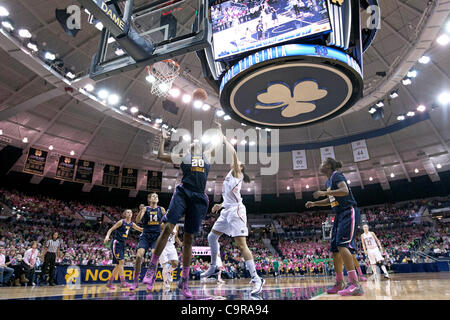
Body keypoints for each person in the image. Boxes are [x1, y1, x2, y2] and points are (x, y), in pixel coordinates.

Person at [142, 124, 221, 298]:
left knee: (189, 239)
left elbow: (219, 143)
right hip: (183, 192)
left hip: (199, 198)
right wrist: (163, 140)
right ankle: (152, 267)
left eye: (198, 142)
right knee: (168, 227)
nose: (195, 142)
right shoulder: (183, 156)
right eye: (193, 142)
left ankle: (184, 281)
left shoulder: (207, 155)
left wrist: (219, 129)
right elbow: (161, 155)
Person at [200, 122, 265, 295]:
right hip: (227, 210)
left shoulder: (238, 172)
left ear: (241, 167)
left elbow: (234, 152)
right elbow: (229, 196)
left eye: (239, 163)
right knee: (212, 236)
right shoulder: (229, 175)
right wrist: (220, 204)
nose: (236, 162)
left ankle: (257, 279)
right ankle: (214, 267)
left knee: (242, 245)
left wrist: (221, 134)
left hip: (236, 211)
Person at [306, 158, 364, 296]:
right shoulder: (328, 181)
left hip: (348, 211)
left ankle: (355, 284)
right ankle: (339, 283)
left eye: (323, 163)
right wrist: (315, 204)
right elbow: (331, 199)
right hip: (338, 215)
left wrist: (324, 192)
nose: (320, 164)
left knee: (342, 245)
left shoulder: (336, 175)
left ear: (329, 166)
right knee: (335, 250)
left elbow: (344, 191)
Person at [130, 194, 166, 291]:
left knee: (154, 256)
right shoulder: (145, 209)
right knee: (138, 256)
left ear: (158, 200)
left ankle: (152, 279)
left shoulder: (161, 209)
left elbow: (166, 222)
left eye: (157, 196)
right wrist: (140, 212)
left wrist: (161, 225)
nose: (155, 197)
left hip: (156, 236)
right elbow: (137, 220)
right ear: (149, 199)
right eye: (153, 196)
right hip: (145, 235)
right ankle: (135, 281)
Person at [104, 209, 143, 290]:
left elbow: (140, 229)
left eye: (131, 212)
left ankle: (109, 283)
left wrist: (151, 229)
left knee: (118, 265)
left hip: (122, 244)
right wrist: (107, 236)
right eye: (128, 212)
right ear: (125, 214)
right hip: (116, 243)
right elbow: (111, 229)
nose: (130, 213)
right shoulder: (121, 222)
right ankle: (123, 282)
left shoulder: (132, 224)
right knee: (121, 262)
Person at [159, 222, 182, 290]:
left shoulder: (176, 226)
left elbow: (175, 237)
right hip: (162, 246)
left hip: (171, 246)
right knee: (165, 266)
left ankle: (169, 272)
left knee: (175, 264)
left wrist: (180, 243)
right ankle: (165, 282)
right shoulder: (163, 224)